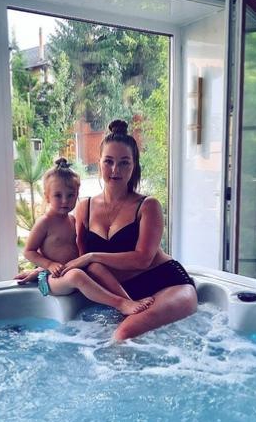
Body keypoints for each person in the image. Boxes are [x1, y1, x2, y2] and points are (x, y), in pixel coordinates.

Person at [60, 119, 198, 341]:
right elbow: (78, 259)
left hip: (167, 284)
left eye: (124, 163)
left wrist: (93, 255)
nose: (115, 170)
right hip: (125, 294)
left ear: (134, 166)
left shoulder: (148, 206)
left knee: (123, 335)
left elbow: (143, 259)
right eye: (109, 161)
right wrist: (42, 270)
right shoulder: (84, 208)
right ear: (99, 162)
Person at [14, 158, 154, 316]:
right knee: (77, 275)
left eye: (70, 195)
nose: (65, 201)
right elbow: (29, 251)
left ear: (77, 195)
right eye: (58, 195)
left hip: (69, 271)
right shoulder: (45, 222)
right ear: (47, 197)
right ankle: (120, 304)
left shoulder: (72, 220)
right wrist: (48, 265)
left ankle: (128, 300)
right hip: (51, 278)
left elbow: (79, 248)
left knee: (96, 267)